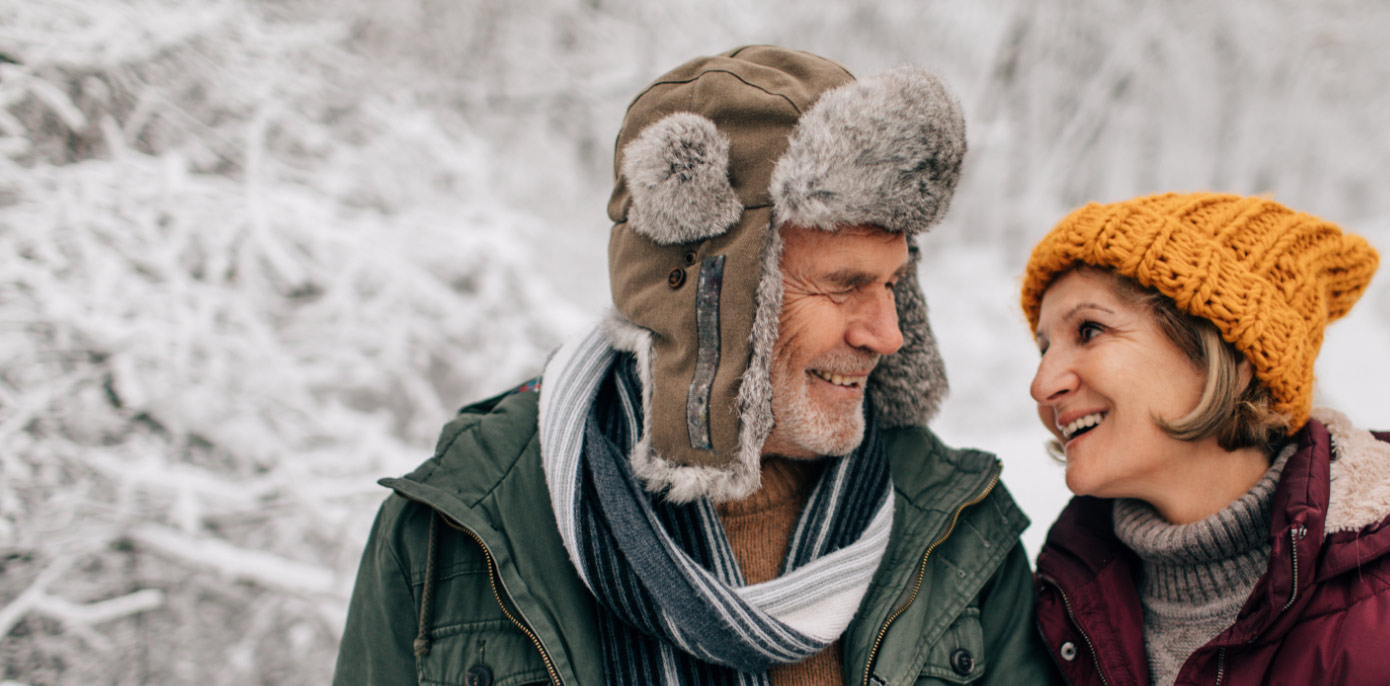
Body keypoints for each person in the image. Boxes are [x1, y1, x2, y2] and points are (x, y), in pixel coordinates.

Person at [333, 46, 1056, 686]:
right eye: (842, 285)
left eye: (894, 283)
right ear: (713, 298)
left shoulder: (957, 531)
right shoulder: (458, 536)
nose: (887, 334)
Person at [1020, 193, 1390, 685]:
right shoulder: (1057, 607)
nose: (1043, 383)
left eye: (1090, 330)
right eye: (1045, 347)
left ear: (1231, 352)